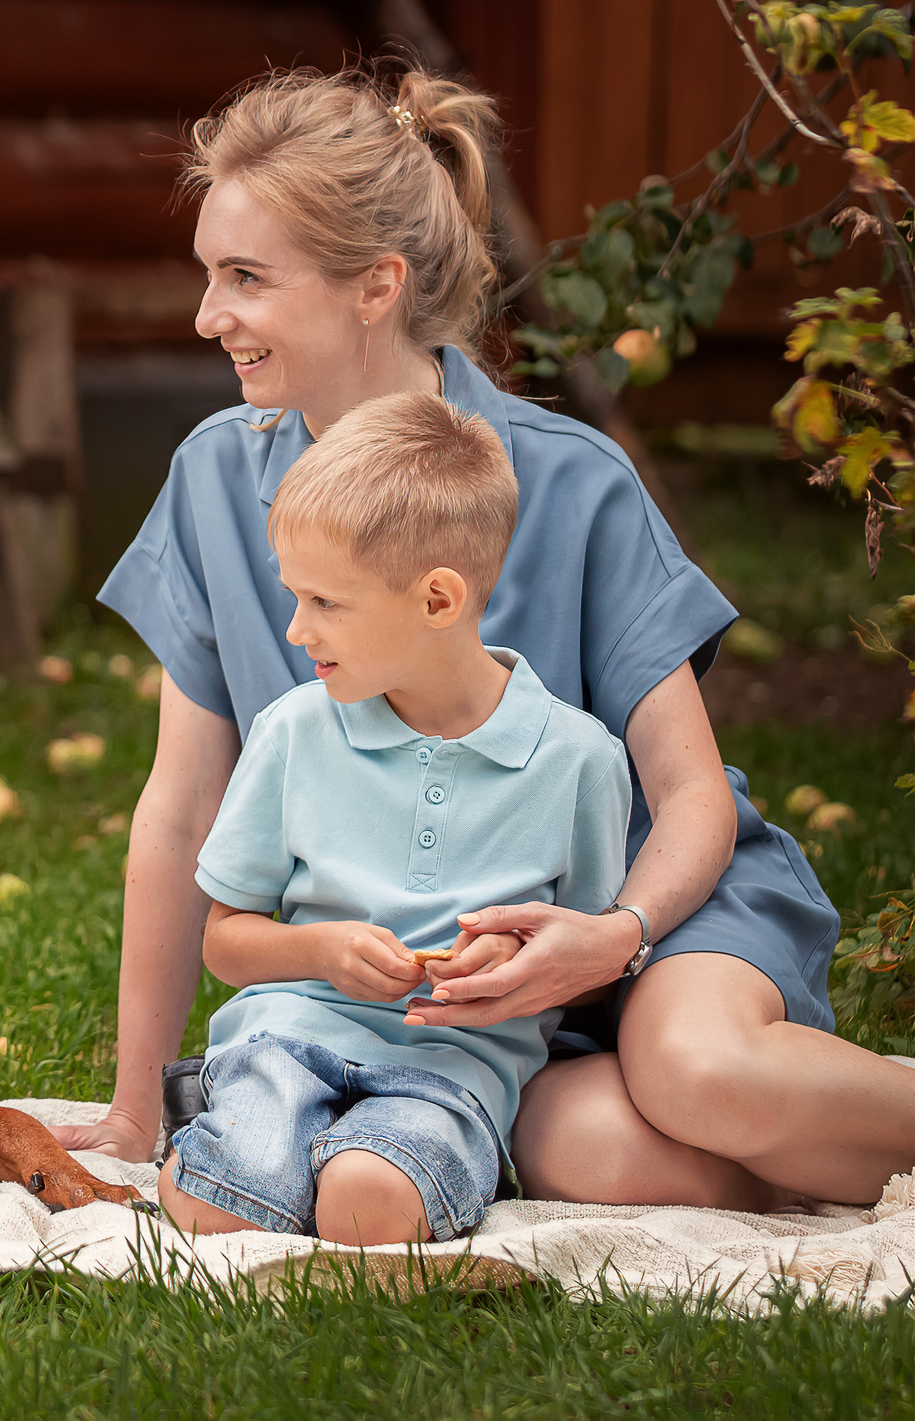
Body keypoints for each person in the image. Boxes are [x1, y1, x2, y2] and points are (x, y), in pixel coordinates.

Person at [55, 63, 915, 1210]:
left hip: (651, 910)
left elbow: (692, 797)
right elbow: (180, 811)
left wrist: (612, 936)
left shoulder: (569, 479)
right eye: (208, 274)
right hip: (454, 1011)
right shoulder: (215, 476)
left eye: (245, 278)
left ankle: (758, 1094)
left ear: (376, 286)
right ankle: (820, 1139)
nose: (208, 315)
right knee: (592, 1158)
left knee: (696, 1075)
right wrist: (126, 1107)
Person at [156, 392, 631, 1245]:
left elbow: (592, 972)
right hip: (285, 1037)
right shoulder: (295, 730)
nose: (299, 629)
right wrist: (321, 951)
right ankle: (243, 1118)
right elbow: (225, 939)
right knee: (210, 1208)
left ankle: (329, 1158)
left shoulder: (579, 762)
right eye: (294, 597)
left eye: (327, 604)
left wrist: (515, 960)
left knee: (368, 1205)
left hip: (450, 1068)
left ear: (438, 600)